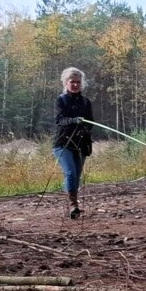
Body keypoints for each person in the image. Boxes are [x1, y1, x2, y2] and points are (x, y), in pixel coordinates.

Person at [53, 67, 94, 218]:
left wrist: (85, 128)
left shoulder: (86, 102)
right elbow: (60, 120)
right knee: (70, 173)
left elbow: (90, 122)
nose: (75, 85)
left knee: (76, 176)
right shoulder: (61, 100)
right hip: (63, 144)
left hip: (81, 144)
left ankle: (73, 201)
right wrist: (74, 121)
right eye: (72, 82)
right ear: (66, 82)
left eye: (78, 82)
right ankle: (73, 205)